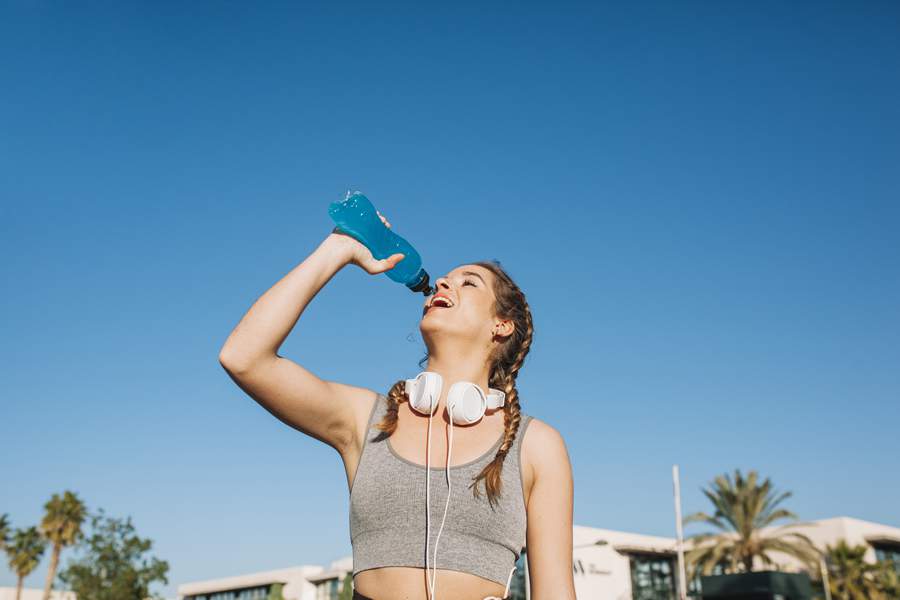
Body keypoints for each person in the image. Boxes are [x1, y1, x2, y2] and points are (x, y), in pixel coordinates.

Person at [218, 210, 576, 600]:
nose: (443, 282)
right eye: (445, 278)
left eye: (468, 282)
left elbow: (556, 592)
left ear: (501, 325)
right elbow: (243, 357)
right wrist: (338, 248)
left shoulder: (536, 445)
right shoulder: (367, 420)